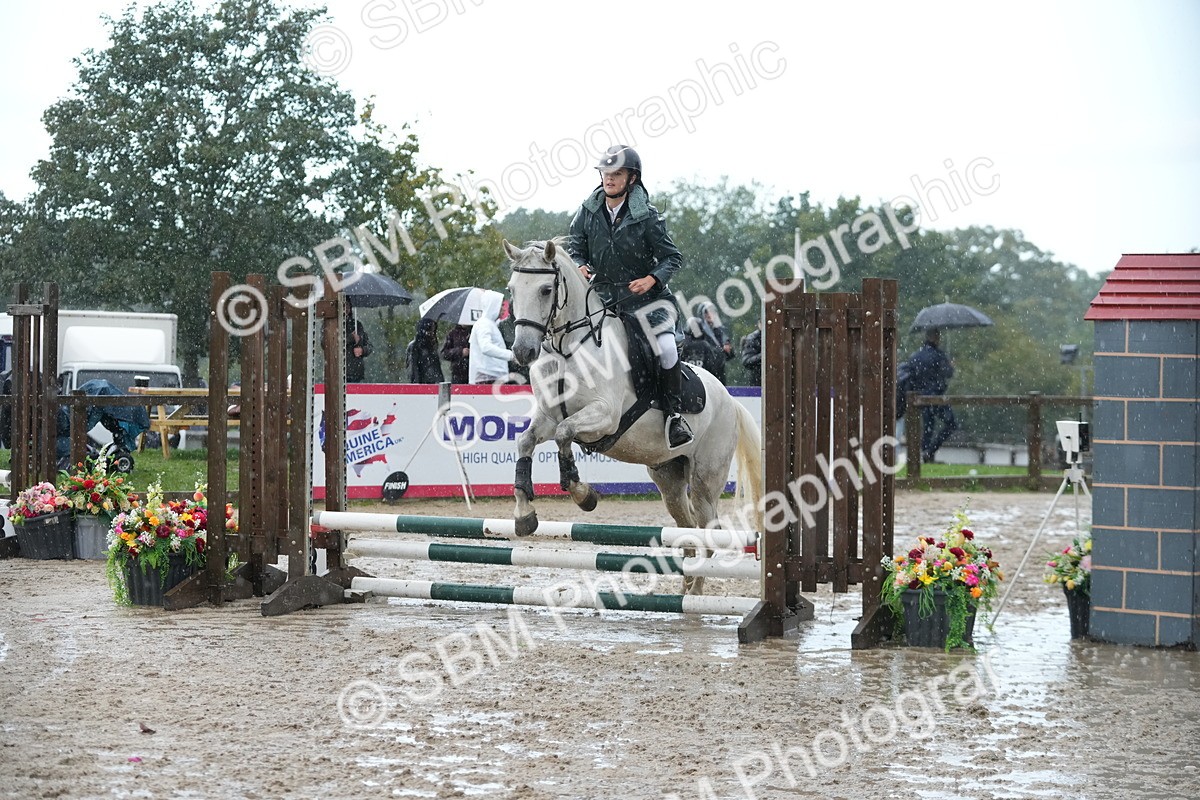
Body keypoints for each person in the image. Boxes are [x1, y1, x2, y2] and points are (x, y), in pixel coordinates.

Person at [567, 145, 692, 447]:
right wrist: (580, 264)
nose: (609, 179)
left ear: (631, 178)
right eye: (606, 173)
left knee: (666, 348)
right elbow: (575, 244)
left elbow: (671, 258)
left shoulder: (647, 217)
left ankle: (674, 416)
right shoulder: (588, 211)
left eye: (617, 174)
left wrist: (651, 279)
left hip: (648, 302)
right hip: (605, 299)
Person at [905, 327, 958, 462]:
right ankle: (930, 451)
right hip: (935, 396)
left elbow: (911, 376)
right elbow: (948, 373)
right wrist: (950, 366)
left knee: (928, 426)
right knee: (950, 424)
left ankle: (926, 454)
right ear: (935, 337)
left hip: (920, 397)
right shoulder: (938, 355)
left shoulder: (915, 356)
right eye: (938, 336)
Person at [469, 293, 514, 384]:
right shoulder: (484, 324)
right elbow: (485, 347)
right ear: (493, 305)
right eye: (501, 305)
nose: (504, 308)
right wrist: (511, 356)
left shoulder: (490, 324)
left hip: (492, 376)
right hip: (487, 376)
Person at [680, 316, 726, 381]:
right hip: (704, 380)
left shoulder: (683, 345)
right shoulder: (705, 345)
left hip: (686, 380)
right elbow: (712, 366)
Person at [406, 318, 444, 384]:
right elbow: (413, 368)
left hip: (434, 383)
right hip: (423, 383)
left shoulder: (432, 345)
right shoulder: (415, 346)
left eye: (433, 331)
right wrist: (416, 384)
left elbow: (437, 367)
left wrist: (440, 381)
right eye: (430, 331)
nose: (432, 333)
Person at [345, 303, 372, 383]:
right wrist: (351, 338)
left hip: (356, 373)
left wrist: (362, 350)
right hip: (337, 372)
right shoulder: (331, 324)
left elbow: (369, 346)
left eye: (348, 306)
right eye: (344, 306)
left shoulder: (357, 325)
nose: (346, 309)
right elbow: (326, 343)